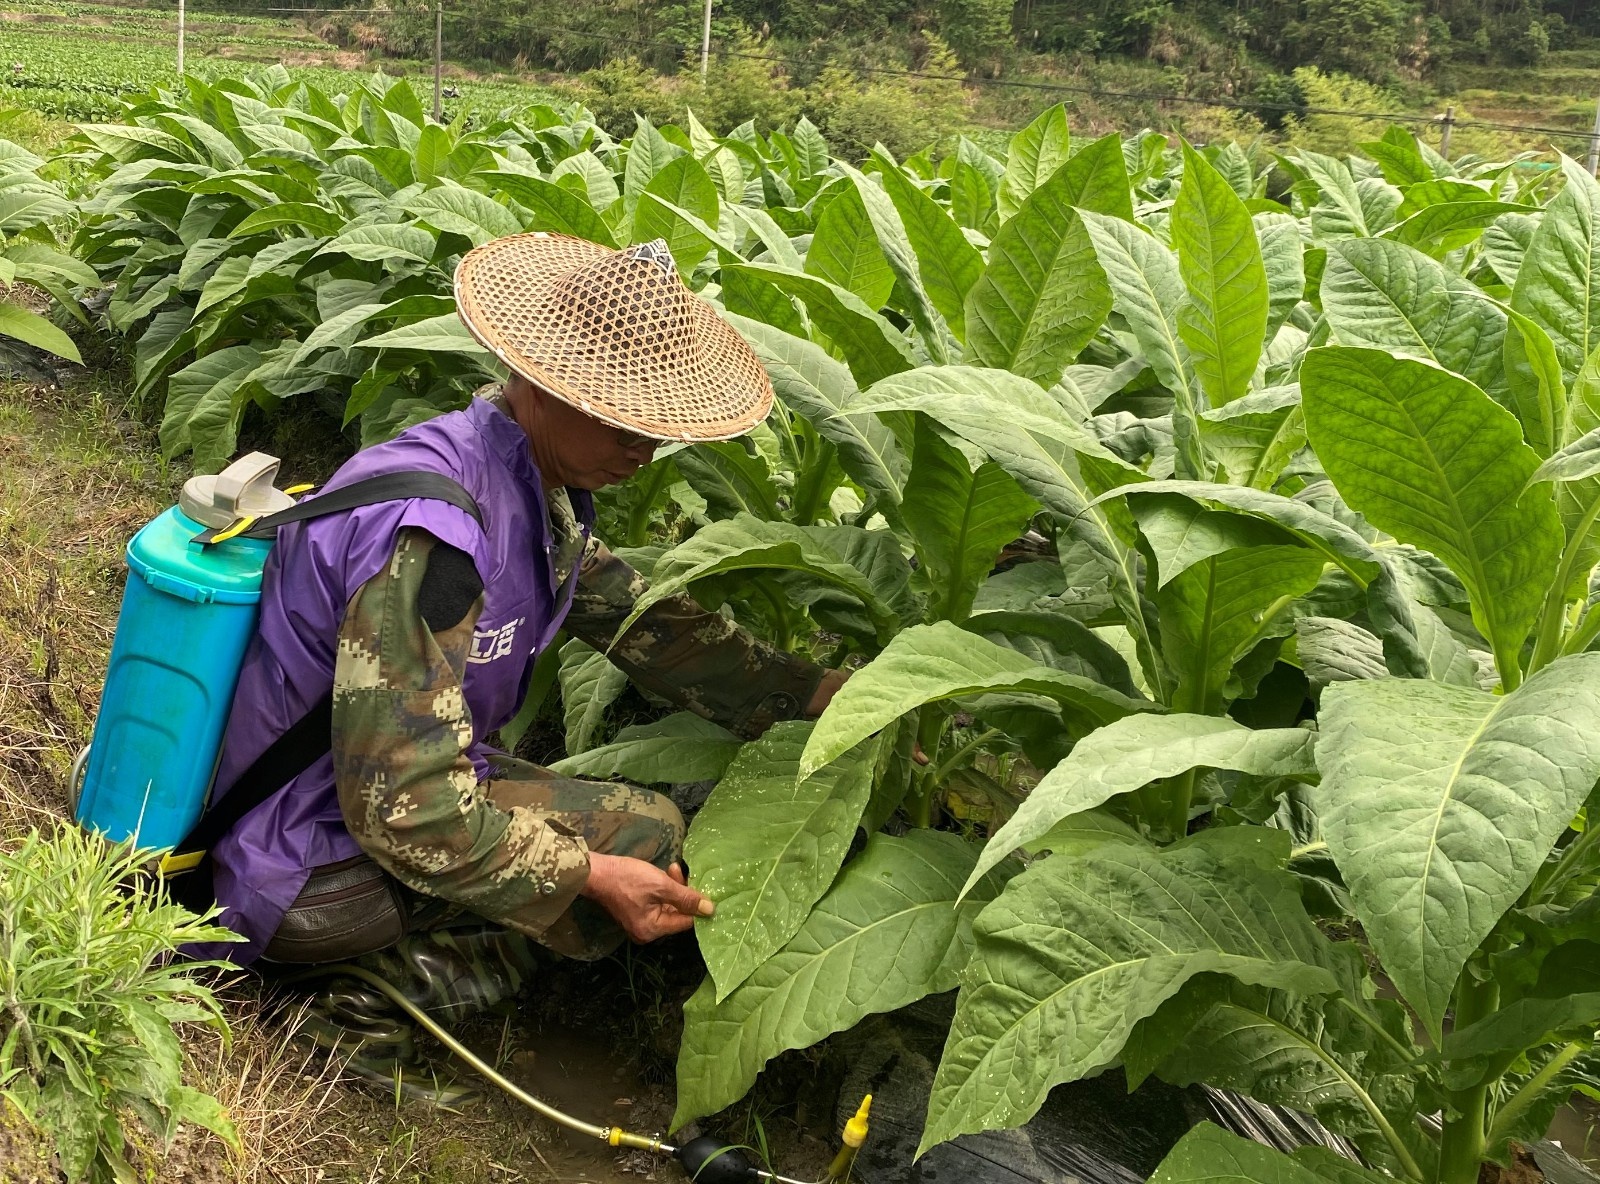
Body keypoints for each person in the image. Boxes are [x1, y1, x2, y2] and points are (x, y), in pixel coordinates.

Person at [198, 232, 846, 1100]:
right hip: (290, 853)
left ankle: (378, 967)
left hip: (347, 797)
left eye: (653, 425)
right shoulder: (435, 542)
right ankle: (351, 1012)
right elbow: (408, 811)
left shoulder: (526, 485)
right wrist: (589, 875)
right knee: (620, 853)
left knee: (642, 827)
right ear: (539, 381)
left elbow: (650, 626)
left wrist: (818, 697)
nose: (642, 449)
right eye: (618, 418)